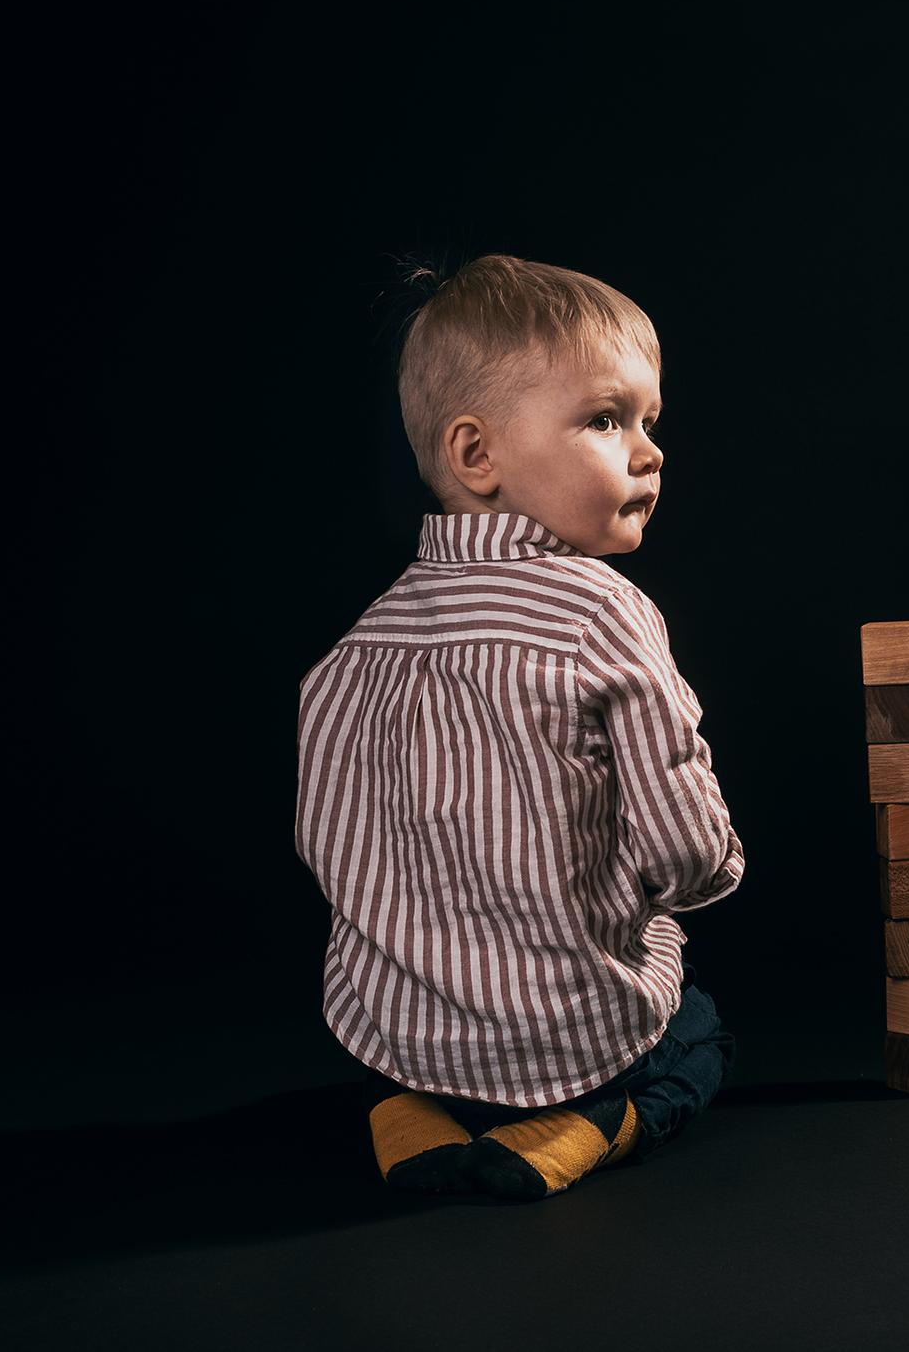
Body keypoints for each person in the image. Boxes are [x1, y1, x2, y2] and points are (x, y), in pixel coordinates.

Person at [294, 253, 745, 1201]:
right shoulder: (603, 614)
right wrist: (679, 892)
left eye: (648, 423)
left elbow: (328, 842)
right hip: (574, 1029)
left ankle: (409, 1108)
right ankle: (594, 1123)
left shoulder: (363, 638)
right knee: (697, 1033)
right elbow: (687, 849)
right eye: (606, 419)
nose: (650, 450)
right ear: (477, 456)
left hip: (403, 1022)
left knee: (412, 1038)